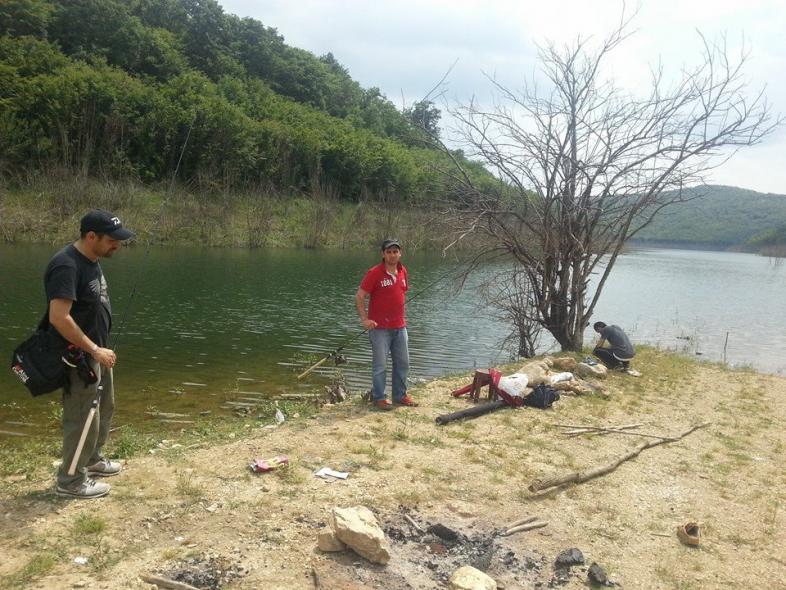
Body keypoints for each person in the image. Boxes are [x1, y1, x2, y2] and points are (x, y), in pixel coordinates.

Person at [45, 210, 134, 498]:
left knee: (104, 409)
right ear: (91, 236)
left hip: (99, 353)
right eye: (112, 240)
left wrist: (100, 350)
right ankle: (70, 481)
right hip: (79, 357)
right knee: (83, 417)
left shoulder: (92, 260)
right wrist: (94, 349)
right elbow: (59, 317)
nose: (117, 245)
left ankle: (92, 459)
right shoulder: (66, 265)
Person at [355, 238, 417, 410]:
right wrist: (364, 319)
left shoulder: (403, 271)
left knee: (403, 363)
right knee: (380, 366)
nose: (392, 255)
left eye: (395, 251)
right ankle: (379, 398)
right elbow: (359, 296)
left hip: (400, 327)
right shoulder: (374, 272)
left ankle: (400, 395)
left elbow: (400, 294)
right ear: (383, 254)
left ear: (400, 253)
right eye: (389, 252)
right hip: (379, 329)